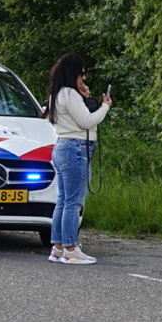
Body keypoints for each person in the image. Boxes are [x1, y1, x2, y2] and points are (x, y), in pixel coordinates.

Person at [43, 53, 112, 265]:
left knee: (63, 200)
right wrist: (105, 106)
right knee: (73, 202)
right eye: (81, 74)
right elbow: (86, 121)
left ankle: (58, 247)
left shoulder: (58, 94)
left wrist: (85, 95)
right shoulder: (69, 95)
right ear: (73, 73)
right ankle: (71, 248)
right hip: (76, 148)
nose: (84, 78)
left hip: (63, 146)